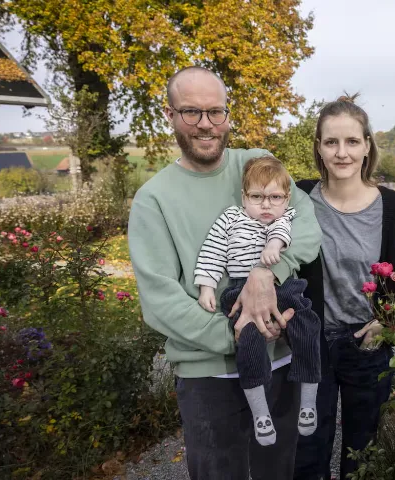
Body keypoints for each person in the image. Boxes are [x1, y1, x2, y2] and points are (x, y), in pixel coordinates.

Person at [128, 66, 321, 480]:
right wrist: (238, 333)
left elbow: (305, 225)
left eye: (215, 112)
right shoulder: (153, 200)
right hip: (208, 375)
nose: (205, 125)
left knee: (277, 472)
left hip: (280, 361)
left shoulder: (255, 166)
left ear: (228, 115)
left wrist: (270, 272)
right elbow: (160, 300)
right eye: (191, 112)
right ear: (170, 115)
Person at [293, 94, 395, 480]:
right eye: (331, 142)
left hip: (367, 344)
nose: (342, 152)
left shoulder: (393, 207)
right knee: (308, 448)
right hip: (310, 346)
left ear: (367, 146)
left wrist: (389, 321)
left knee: (362, 454)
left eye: (352, 141)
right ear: (318, 147)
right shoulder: (299, 199)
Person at [193, 155, 321, 446]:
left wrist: (274, 246)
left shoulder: (283, 219)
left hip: (283, 286)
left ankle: (309, 401)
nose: (266, 205)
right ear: (244, 196)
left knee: (307, 324)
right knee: (248, 339)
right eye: (257, 197)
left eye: (275, 197)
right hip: (238, 289)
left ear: (286, 199)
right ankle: (261, 414)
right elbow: (212, 252)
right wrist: (206, 287)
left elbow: (281, 233)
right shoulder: (230, 219)